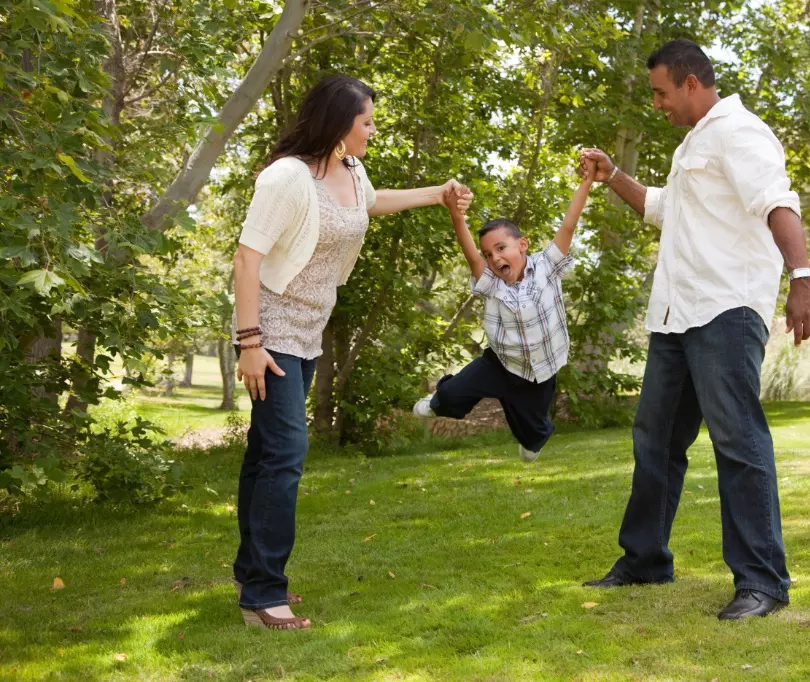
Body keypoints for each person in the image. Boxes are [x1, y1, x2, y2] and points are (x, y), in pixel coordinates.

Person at [579, 39, 810, 620]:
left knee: (738, 442)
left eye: (662, 92)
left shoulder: (738, 132)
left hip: (724, 313)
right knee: (656, 442)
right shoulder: (694, 144)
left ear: (691, 83)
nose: (658, 104)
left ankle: (763, 582)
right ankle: (644, 559)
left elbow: (777, 202)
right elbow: (661, 208)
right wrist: (613, 175)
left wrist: (803, 278)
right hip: (676, 316)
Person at [231, 74, 472, 629]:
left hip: (310, 328)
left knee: (265, 453)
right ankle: (265, 595)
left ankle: (250, 572)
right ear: (339, 122)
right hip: (269, 332)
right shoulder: (286, 178)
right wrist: (249, 343)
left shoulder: (350, 170)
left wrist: (438, 193)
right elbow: (247, 259)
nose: (372, 130)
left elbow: (372, 201)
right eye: (366, 121)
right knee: (287, 455)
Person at [411, 159, 598, 461]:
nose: (494, 257)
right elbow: (470, 254)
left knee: (533, 431)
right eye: (489, 253)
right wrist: (456, 216)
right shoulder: (490, 282)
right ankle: (436, 402)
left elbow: (569, 224)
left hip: (540, 370)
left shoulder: (547, 266)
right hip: (499, 363)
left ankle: (531, 440)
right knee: (452, 395)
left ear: (522, 245)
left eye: (501, 248)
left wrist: (586, 182)